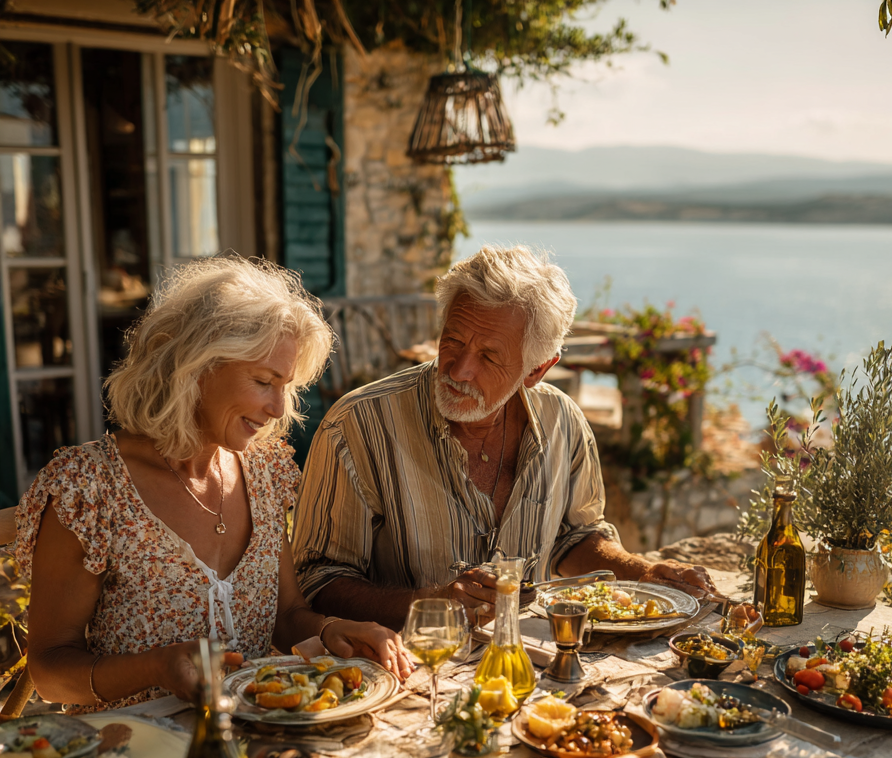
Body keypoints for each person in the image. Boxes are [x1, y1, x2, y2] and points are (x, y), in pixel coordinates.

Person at [17, 257, 411, 713]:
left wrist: (329, 629)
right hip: (135, 757)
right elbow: (49, 671)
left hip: (256, 741)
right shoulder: (89, 488)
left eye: (286, 385)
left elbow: (285, 616)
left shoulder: (264, 469)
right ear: (194, 368)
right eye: (264, 381)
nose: (279, 408)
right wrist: (154, 668)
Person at [292, 245, 720, 629]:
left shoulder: (562, 420)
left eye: (489, 356)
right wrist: (432, 603)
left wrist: (639, 571)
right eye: (453, 340)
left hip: (532, 664)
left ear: (537, 370)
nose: (458, 370)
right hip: (411, 672)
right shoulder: (357, 425)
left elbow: (577, 536)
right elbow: (316, 580)